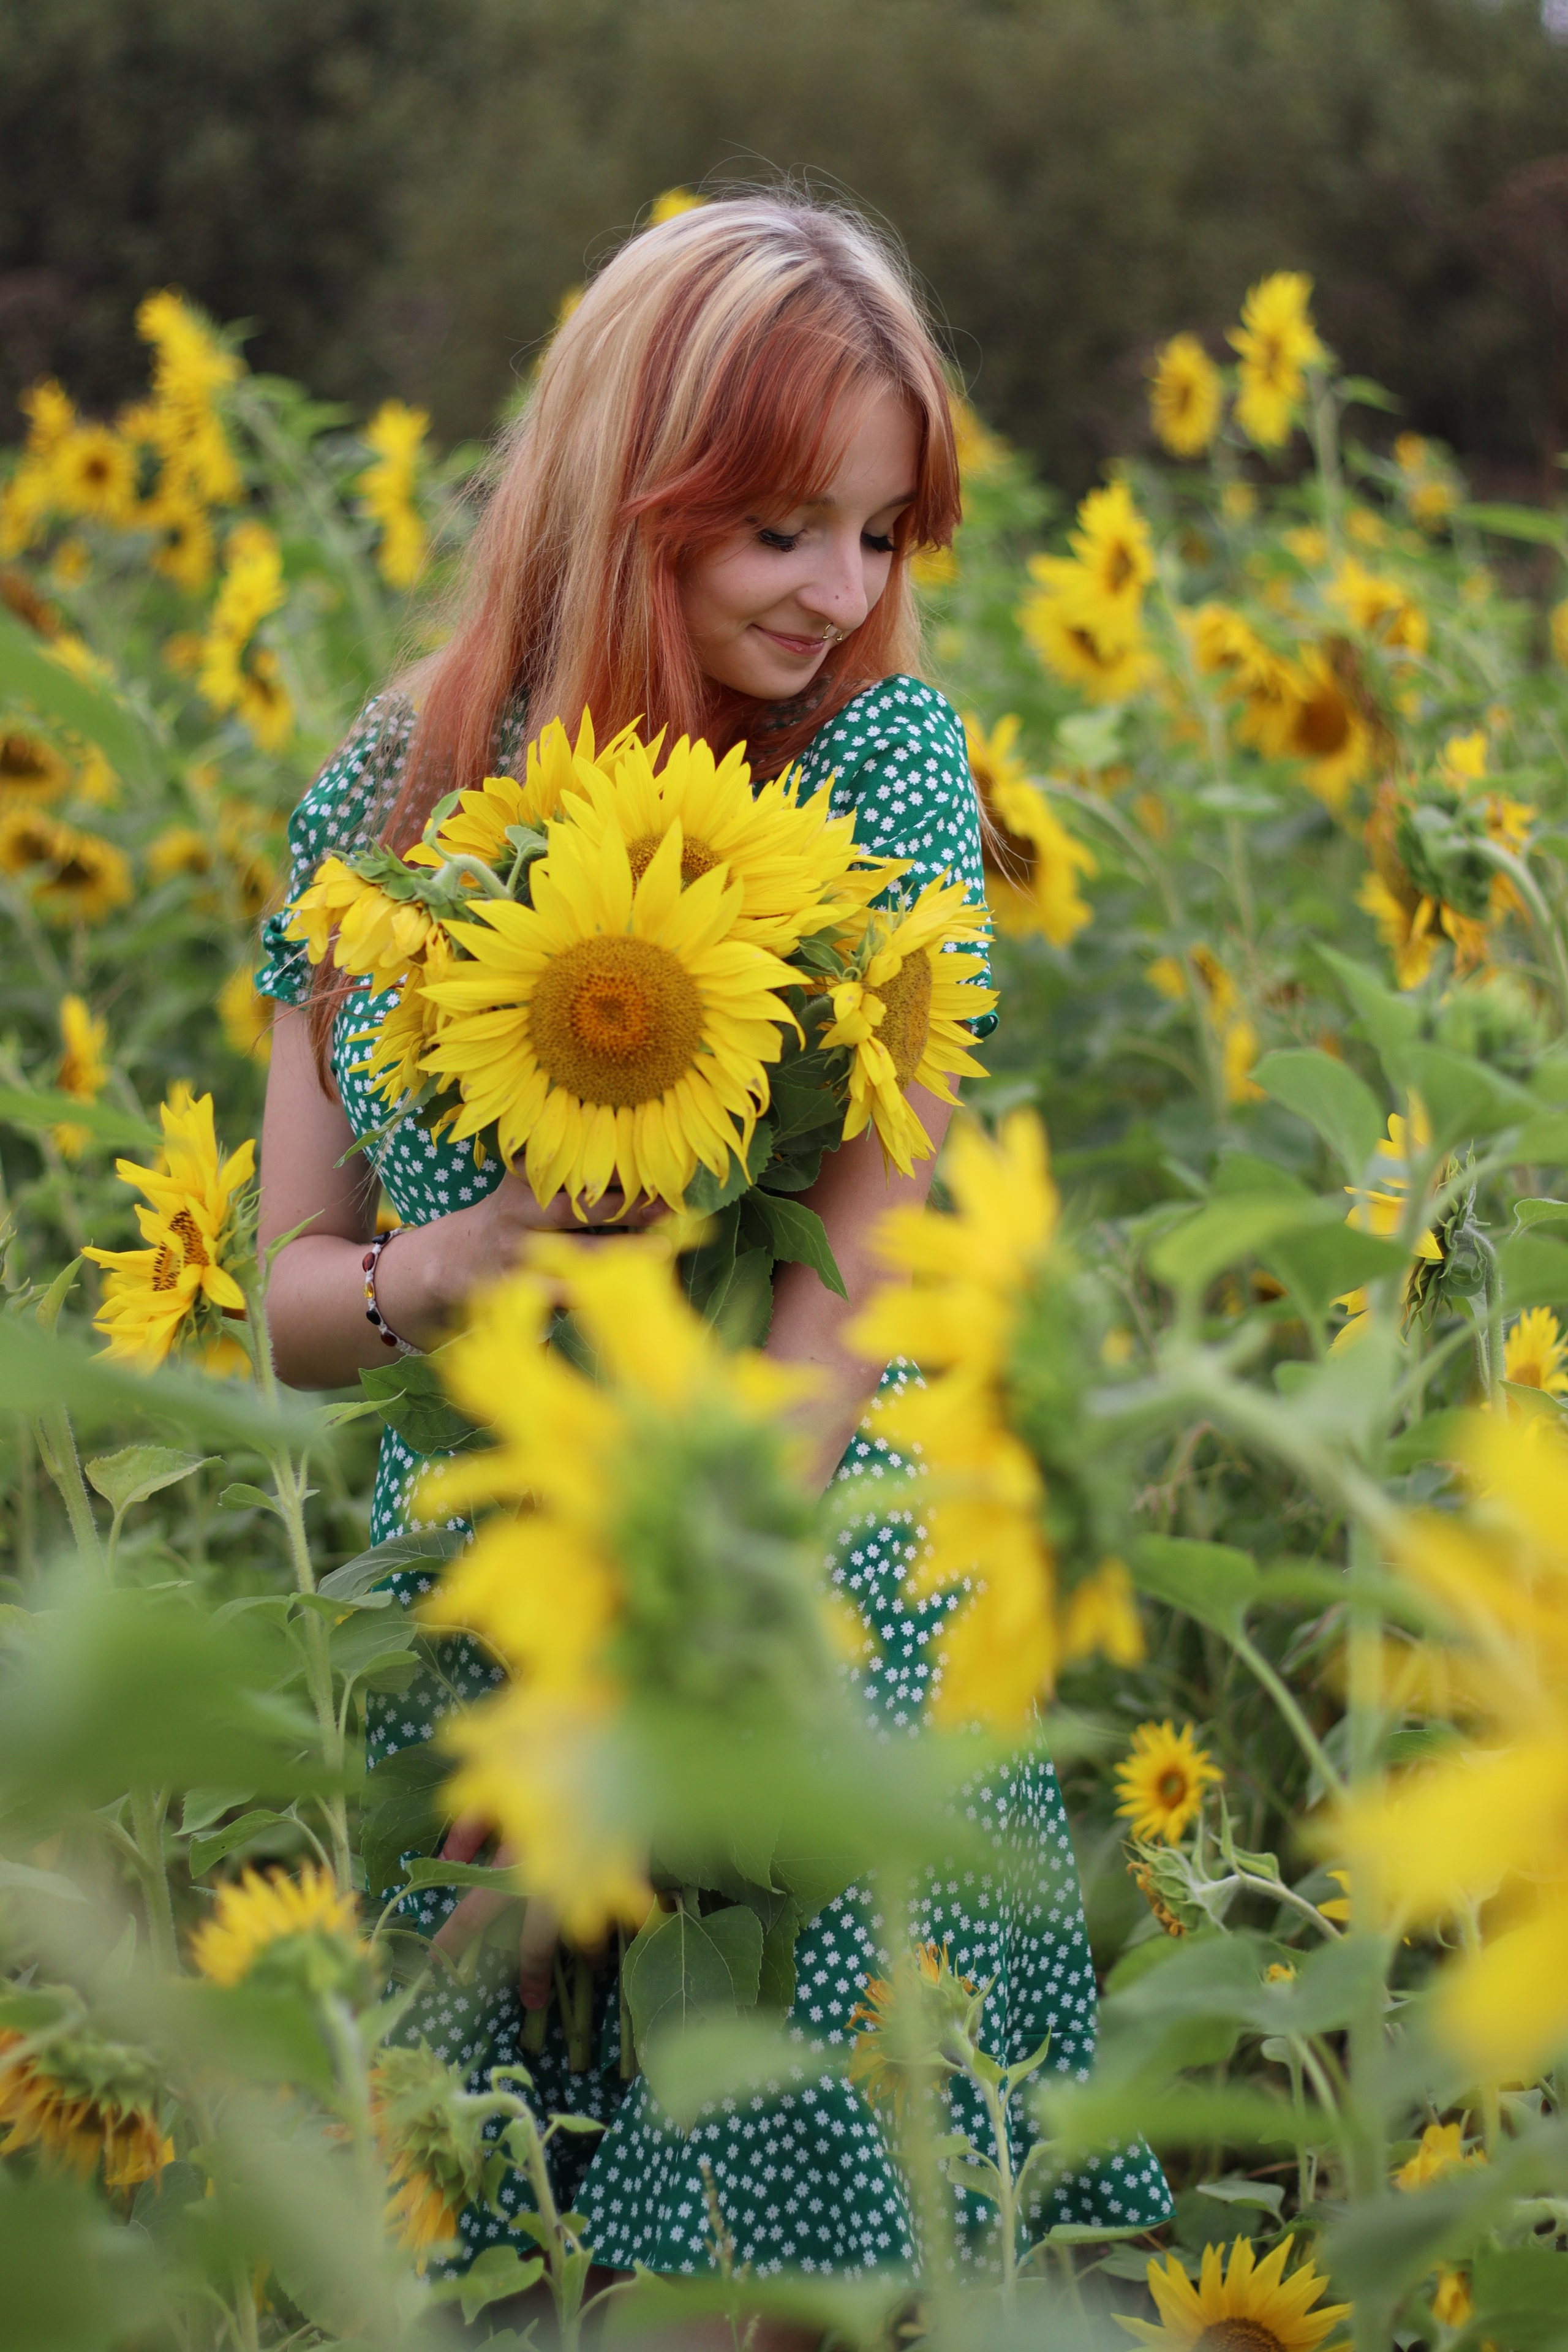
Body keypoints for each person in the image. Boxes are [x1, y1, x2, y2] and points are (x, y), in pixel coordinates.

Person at [254, 190, 1172, 2294]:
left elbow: (855, 1282)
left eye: (881, 534)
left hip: (791, 1554)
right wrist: (448, 1267)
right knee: (498, 2239)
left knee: (768, 2211)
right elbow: (294, 1309)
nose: (842, 595)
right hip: (482, 1570)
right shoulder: (391, 790)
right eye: (781, 531)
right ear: (629, 493)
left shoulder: (881, 766)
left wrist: (629, 1691)